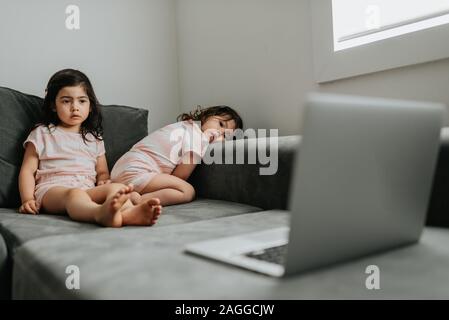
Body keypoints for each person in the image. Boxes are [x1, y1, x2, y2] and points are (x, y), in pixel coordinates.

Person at [18, 69, 162, 227]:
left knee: (118, 188)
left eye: (82, 101)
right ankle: (98, 214)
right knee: (74, 194)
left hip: (87, 189)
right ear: (53, 105)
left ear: (91, 106)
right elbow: (27, 171)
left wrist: (103, 181)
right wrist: (27, 199)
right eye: (66, 101)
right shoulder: (42, 133)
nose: (75, 107)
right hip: (51, 190)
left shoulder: (94, 138)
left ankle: (127, 215)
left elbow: (102, 171)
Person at [111, 105, 243, 206]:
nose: (219, 133)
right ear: (206, 116)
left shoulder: (184, 126)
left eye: (226, 136)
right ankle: (138, 200)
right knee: (186, 191)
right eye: (220, 124)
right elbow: (180, 177)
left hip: (120, 168)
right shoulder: (197, 138)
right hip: (136, 172)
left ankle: (125, 191)